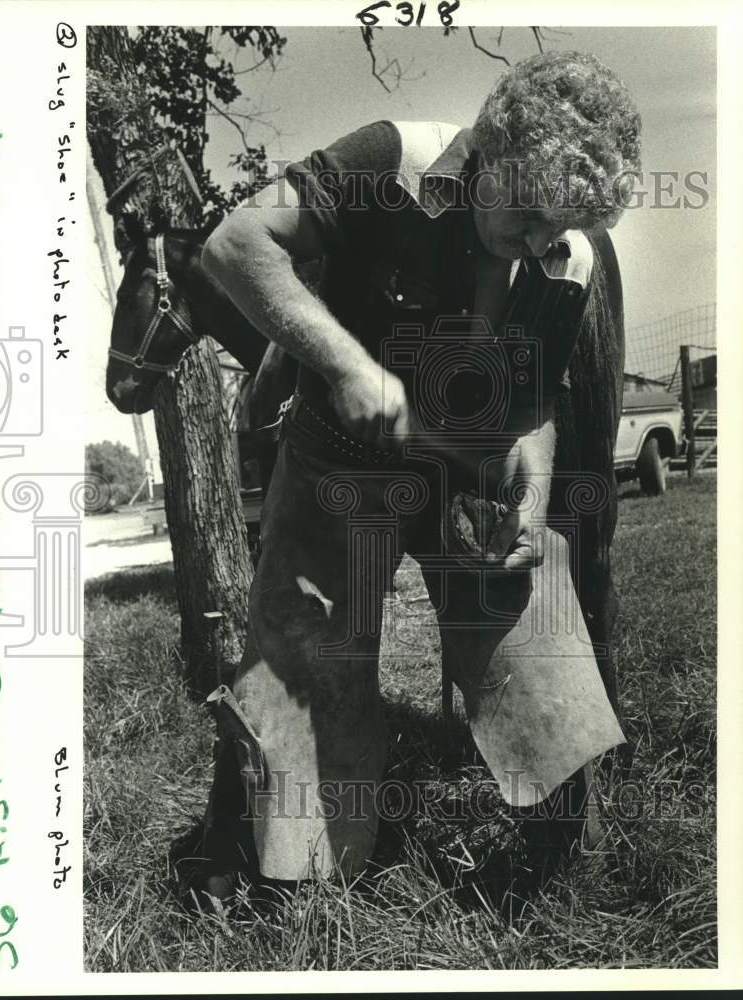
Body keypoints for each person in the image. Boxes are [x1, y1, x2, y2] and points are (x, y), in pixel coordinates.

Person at [197, 50, 642, 901]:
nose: (543, 243)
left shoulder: (569, 257)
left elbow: (538, 401)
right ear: (490, 153)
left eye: (563, 229)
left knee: (537, 647)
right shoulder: (387, 161)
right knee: (308, 665)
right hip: (335, 464)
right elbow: (234, 242)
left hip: (463, 488)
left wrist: (532, 487)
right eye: (530, 215)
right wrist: (347, 365)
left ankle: (554, 873)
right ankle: (305, 889)